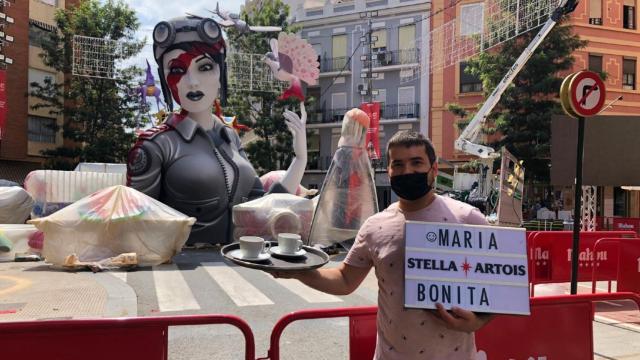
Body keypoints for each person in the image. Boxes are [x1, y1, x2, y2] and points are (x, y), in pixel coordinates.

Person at [271, 131, 493, 359]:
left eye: (416, 163)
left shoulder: (468, 219)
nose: (407, 171)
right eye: (398, 164)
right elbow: (346, 280)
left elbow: (499, 284)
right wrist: (299, 272)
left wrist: (478, 321)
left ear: (434, 169)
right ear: (389, 172)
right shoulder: (374, 226)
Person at [127, 16, 307, 245]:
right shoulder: (154, 146)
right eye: (177, 70)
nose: (192, 82)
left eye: (205, 67)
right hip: (179, 274)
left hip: (239, 267)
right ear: (164, 78)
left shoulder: (229, 137)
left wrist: (300, 160)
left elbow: (260, 209)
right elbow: (134, 226)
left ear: (221, 73)